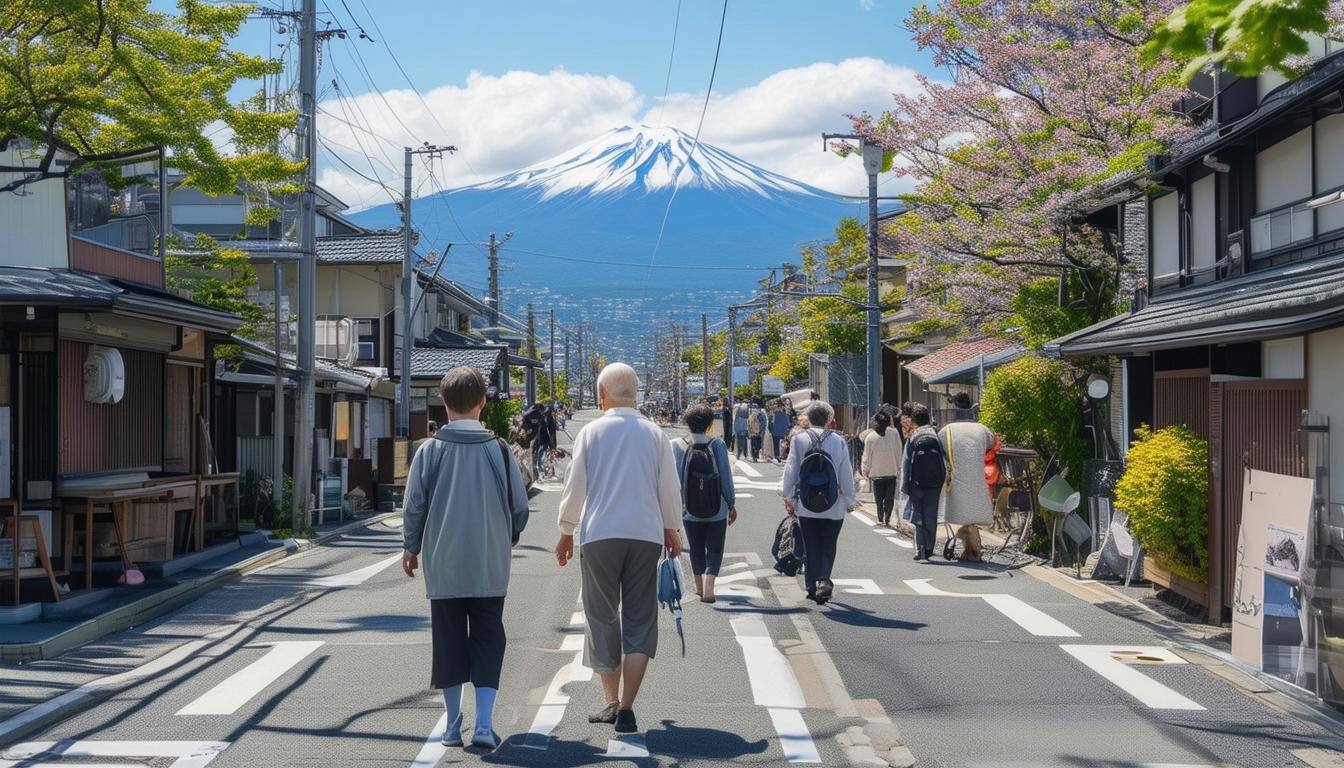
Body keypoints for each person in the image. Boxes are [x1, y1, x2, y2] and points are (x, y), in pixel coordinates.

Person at [402, 367, 530, 751]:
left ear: (444, 404)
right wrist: (507, 537)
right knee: (489, 640)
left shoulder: (430, 451)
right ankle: (485, 725)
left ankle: (453, 725)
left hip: (443, 565)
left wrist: (411, 547)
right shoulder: (499, 450)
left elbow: (414, 506)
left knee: (448, 642)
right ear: (483, 403)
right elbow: (519, 507)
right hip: (490, 564)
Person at [556, 362, 683, 735]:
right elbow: (668, 488)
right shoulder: (654, 433)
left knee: (602, 617)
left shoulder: (591, 432)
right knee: (640, 619)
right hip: (645, 534)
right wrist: (672, 529)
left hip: (599, 535)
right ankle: (627, 707)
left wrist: (566, 530)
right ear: (637, 395)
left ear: (601, 396)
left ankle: (611, 701)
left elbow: (575, 485)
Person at [781, 400, 857, 605]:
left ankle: (811, 585)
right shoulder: (838, 441)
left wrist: (787, 495)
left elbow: (792, 468)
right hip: (833, 503)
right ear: (829, 420)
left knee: (810, 544)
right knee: (829, 543)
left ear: (809, 418)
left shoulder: (799, 439)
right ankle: (824, 579)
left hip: (805, 503)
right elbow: (845, 471)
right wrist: (850, 498)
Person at [671, 404, 737, 603]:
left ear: (686, 423)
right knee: (715, 548)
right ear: (709, 425)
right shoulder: (717, 445)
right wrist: (731, 503)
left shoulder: (676, 445)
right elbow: (726, 476)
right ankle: (710, 586)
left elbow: (672, 480)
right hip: (716, 507)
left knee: (696, 547)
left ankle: (699, 587)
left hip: (688, 509)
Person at [939, 400, 996, 562]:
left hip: (956, 483)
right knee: (972, 520)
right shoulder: (982, 429)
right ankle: (972, 550)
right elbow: (992, 443)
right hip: (980, 481)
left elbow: (941, 450)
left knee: (964, 519)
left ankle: (971, 550)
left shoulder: (946, 431)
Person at [901, 404, 943, 560]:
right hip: (935, 483)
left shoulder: (913, 437)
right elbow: (943, 460)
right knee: (931, 515)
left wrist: (905, 487)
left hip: (917, 482)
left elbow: (906, 465)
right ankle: (930, 548)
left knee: (918, 514)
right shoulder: (936, 436)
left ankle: (920, 549)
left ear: (913, 421)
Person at [861, 412, 902, 526]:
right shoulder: (894, 433)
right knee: (889, 498)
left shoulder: (870, 436)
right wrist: (899, 466)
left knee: (878, 498)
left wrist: (865, 469)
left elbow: (866, 456)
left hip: (876, 473)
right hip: (891, 471)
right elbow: (899, 450)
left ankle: (880, 518)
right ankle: (887, 519)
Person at [522, 402, 558, 478]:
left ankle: (535, 474)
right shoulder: (544, 416)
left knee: (534, 457)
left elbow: (524, 427)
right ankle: (539, 473)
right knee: (540, 457)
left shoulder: (528, 414)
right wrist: (553, 445)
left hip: (531, 439)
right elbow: (551, 430)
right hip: (544, 439)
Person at [747, 398, 767, 463]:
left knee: (753, 445)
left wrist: (749, 432)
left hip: (753, 432)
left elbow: (749, 424)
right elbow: (764, 423)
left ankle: (754, 456)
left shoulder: (751, 415)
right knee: (758, 445)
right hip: (759, 432)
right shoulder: (762, 413)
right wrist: (762, 431)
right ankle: (756, 455)